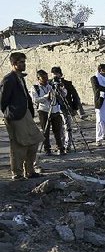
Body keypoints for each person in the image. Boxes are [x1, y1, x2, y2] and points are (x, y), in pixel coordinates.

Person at [0, 52, 44, 180]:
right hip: (15, 117)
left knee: (34, 140)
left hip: (26, 114)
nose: (23, 64)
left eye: (24, 62)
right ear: (14, 64)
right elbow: (3, 101)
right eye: (21, 62)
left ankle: (29, 171)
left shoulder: (20, 78)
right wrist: (10, 115)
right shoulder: (8, 80)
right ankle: (17, 173)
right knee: (19, 145)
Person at [30, 70, 66, 155]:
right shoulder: (35, 88)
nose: (46, 79)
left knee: (58, 130)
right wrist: (46, 96)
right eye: (43, 77)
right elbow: (35, 100)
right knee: (45, 130)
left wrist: (61, 88)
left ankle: (60, 147)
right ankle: (47, 149)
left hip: (55, 109)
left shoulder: (51, 86)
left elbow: (63, 95)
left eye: (46, 76)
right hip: (44, 111)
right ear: (39, 78)